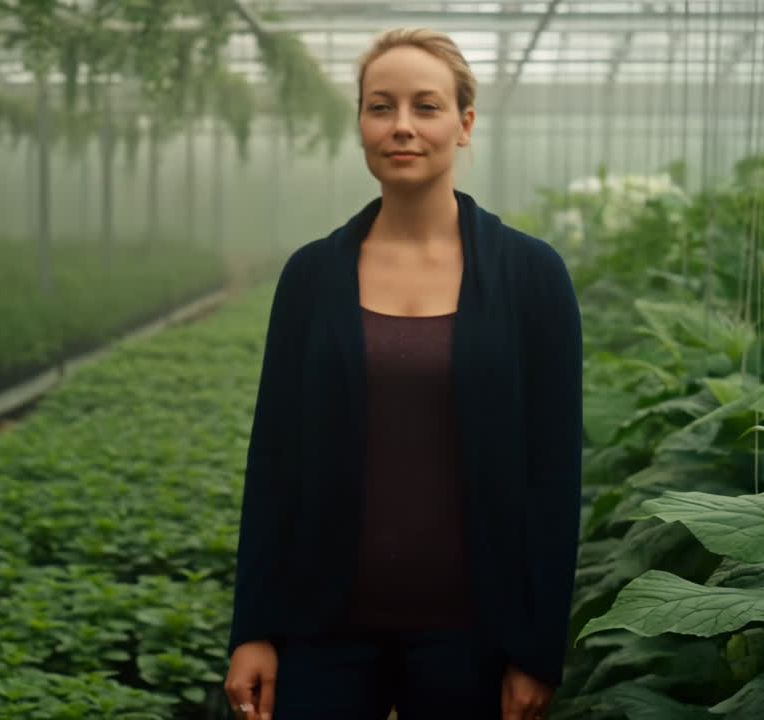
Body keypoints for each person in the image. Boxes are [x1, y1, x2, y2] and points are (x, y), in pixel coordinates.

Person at [222, 27, 583, 720]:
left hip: (473, 633)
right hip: (322, 629)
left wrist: (536, 651)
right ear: (360, 123)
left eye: (427, 106)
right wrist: (254, 630)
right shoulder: (311, 276)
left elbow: (553, 474)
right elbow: (275, 462)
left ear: (464, 124)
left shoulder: (532, 276)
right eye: (381, 107)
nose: (403, 128)